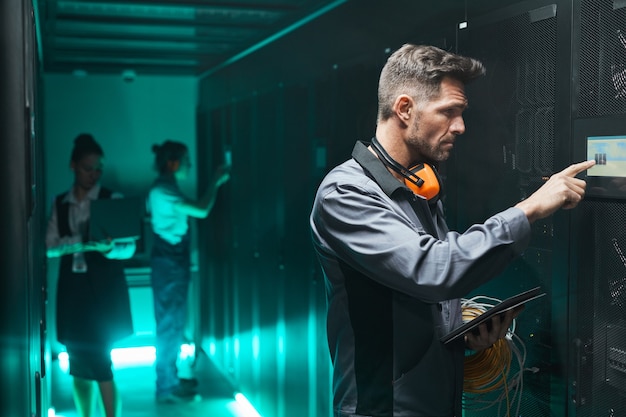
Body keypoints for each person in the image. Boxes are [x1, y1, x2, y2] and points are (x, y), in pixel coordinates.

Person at [309, 44, 595, 417]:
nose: (460, 126)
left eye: (461, 113)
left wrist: (463, 332)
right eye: (448, 112)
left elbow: (410, 295)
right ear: (405, 108)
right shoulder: (345, 194)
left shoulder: (418, 185)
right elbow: (433, 269)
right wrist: (529, 210)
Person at [46, 133, 135, 417]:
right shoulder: (61, 203)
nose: (94, 174)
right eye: (88, 168)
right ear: (73, 166)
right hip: (74, 292)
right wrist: (81, 243)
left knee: (100, 363)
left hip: (103, 294)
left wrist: (109, 250)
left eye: (98, 169)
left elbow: (129, 247)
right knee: (78, 365)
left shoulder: (112, 199)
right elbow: (48, 248)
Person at [147, 140, 230, 403]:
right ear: (173, 163)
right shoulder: (162, 191)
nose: (189, 165)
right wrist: (216, 181)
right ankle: (166, 386)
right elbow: (202, 209)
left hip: (172, 262)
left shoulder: (165, 188)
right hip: (169, 264)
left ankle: (169, 379)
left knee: (172, 323)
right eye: (186, 160)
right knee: (170, 325)